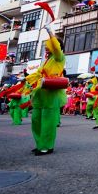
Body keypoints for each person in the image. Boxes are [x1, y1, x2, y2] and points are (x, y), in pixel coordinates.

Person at [25, 23, 66, 156]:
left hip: (51, 92)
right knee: (36, 120)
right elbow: (38, 73)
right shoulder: (46, 61)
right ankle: (39, 144)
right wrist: (25, 80)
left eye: (49, 45)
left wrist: (51, 33)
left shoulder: (59, 58)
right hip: (40, 92)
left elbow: (56, 48)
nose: (47, 48)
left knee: (48, 121)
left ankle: (47, 146)